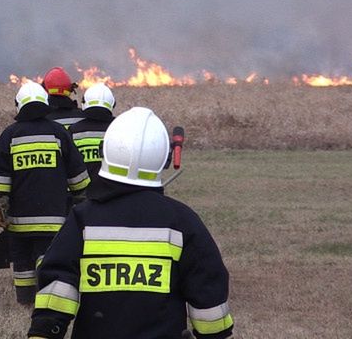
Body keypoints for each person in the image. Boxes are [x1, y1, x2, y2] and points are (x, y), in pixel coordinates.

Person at [27, 107, 234, 339]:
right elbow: (209, 303)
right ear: (162, 159)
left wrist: (44, 332)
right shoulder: (183, 222)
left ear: (105, 152)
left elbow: (58, 289)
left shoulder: (83, 219)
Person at [0, 81, 90, 304]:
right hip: (53, 218)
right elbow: (78, 176)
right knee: (46, 255)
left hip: (19, 220)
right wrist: (80, 200)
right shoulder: (58, 133)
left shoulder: (10, 135)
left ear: (19, 105)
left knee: (22, 260)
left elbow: (0, 179)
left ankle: (25, 300)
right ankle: (45, 286)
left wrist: (0, 206)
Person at [69, 83, 116, 184]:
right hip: (113, 193)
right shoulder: (120, 128)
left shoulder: (74, 130)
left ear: (84, 103)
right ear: (112, 104)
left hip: (84, 193)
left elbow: (69, 166)